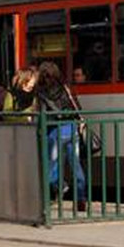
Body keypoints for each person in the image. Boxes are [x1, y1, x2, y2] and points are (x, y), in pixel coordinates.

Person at [36, 61, 87, 211]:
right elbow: (76, 107)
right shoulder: (66, 87)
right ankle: (81, 198)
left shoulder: (41, 91)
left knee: (51, 165)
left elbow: (42, 113)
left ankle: (60, 186)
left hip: (53, 130)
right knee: (75, 165)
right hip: (71, 128)